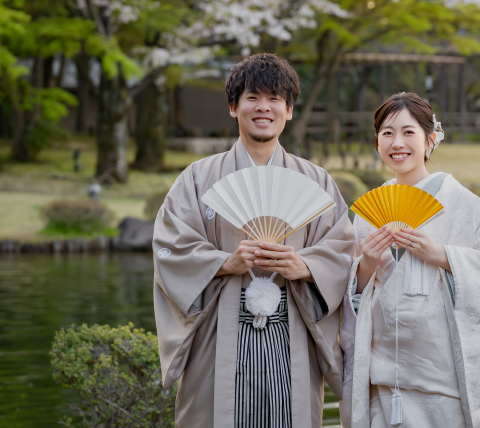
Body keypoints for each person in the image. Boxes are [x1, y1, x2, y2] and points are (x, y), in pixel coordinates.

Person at [152, 53, 355, 428]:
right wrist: (223, 262)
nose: (264, 108)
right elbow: (170, 248)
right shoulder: (197, 178)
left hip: (291, 327)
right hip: (218, 330)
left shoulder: (316, 181)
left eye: (275, 99)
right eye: (252, 98)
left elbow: (343, 250)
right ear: (234, 107)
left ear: (289, 110)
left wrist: (307, 266)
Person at [340, 92, 480, 428]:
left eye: (408, 132)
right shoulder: (368, 213)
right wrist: (366, 265)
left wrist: (443, 255)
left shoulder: (463, 203)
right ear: (377, 142)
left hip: (443, 382)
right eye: (387, 133)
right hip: (384, 380)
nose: (397, 142)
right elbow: (349, 295)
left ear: (429, 140)